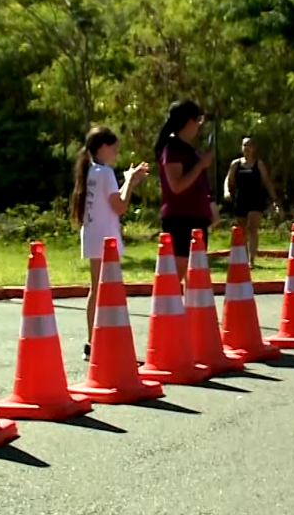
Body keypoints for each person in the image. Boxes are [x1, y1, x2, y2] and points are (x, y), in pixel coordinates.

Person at [70, 126, 150, 360]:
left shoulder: (91, 171)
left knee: (96, 289)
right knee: (110, 290)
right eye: (114, 149)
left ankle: (92, 342)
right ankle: (110, 343)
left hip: (93, 235)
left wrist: (127, 181)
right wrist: (131, 182)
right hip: (106, 238)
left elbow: (114, 202)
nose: (116, 153)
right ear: (103, 147)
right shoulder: (105, 173)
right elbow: (120, 206)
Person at [154, 100, 219, 281]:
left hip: (197, 218)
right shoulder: (172, 149)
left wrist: (210, 205)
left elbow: (200, 183)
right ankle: (168, 309)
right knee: (176, 274)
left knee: (196, 275)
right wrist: (201, 165)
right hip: (180, 219)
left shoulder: (190, 149)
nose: (199, 125)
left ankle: (191, 310)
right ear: (188, 121)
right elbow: (177, 186)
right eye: (198, 119)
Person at [224, 135, 281, 268]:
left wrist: (275, 200)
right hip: (241, 198)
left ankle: (252, 260)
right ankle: (243, 258)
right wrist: (227, 191)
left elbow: (267, 182)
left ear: (254, 148)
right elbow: (228, 179)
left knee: (252, 228)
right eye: (244, 145)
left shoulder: (258, 164)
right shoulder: (236, 164)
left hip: (256, 199)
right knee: (242, 230)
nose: (246, 148)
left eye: (249, 145)